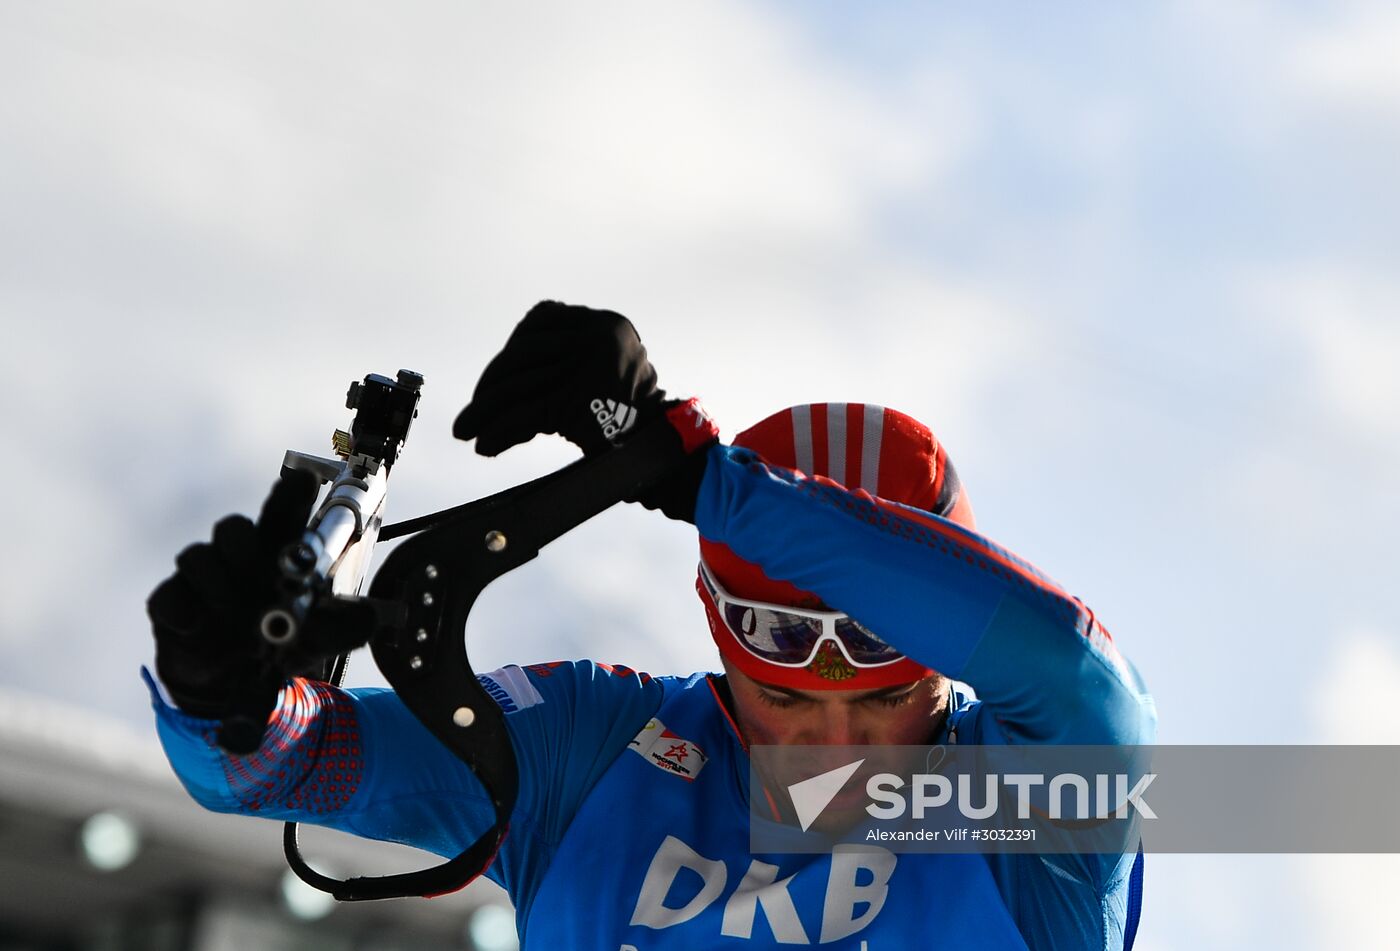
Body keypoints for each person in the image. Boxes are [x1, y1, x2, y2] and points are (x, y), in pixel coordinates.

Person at [147, 302, 1156, 949]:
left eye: (890, 696)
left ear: (948, 661)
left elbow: (1075, 672)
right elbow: (278, 768)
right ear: (715, 630)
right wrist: (225, 697)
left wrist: (701, 478)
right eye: (787, 697)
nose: (838, 748)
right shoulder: (592, 749)